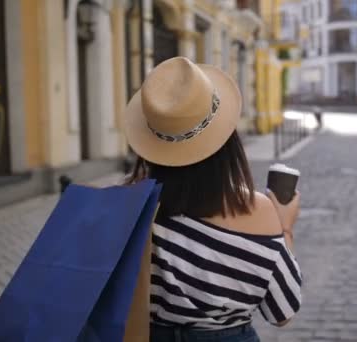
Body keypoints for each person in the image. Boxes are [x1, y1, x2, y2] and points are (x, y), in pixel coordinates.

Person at [123, 57, 302, 342]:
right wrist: (286, 227)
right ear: (226, 139)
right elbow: (283, 312)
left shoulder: (129, 207)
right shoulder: (258, 210)